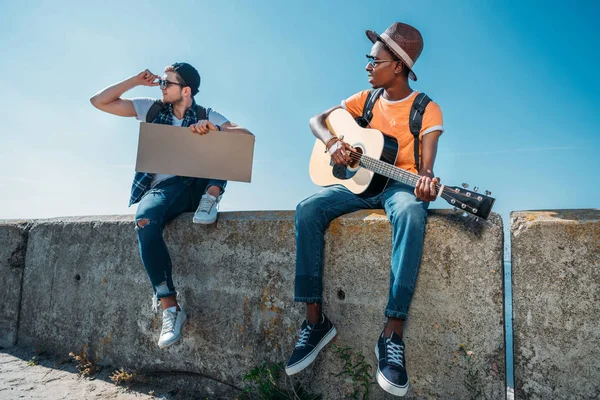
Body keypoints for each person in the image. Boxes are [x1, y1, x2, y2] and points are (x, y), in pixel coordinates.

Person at [285, 23, 444, 397]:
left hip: (399, 186)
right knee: (307, 210)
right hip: (360, 187)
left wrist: (426, 182)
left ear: (398, 67)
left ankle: (392, 332)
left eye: (375, 60)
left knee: (410, 212)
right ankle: (314, 321)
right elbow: (316, 121)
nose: (368, 67)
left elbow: (426, 172)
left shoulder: (426, 109)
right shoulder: (365, 100)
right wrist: (333, 143)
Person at [90, 62, 252, 348]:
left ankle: (212, 196)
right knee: (144, 220)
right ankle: (171, 308)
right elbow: (99, 102)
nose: (161, 87)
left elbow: (246, 137)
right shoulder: (151, 109)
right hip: (165, 190)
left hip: (198, 187)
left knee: (222, 139)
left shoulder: (205, 113)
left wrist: (214, 128)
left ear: (186, 90)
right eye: (161, 83)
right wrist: (135, 81)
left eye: (168, 83)